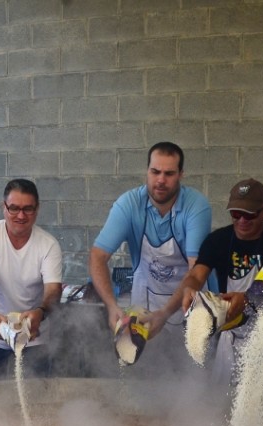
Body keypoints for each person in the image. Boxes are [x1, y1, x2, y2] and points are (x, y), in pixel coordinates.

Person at [88, 142, 211, 366]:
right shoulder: (129, 204)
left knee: (188, 373)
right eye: (155, 172)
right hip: (145, 303)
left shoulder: (196, 207)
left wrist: (164, 314)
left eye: (169, 173)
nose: (161, 180)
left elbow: (196, 271)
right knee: (145, 374)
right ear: (147, 171)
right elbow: (98, 256)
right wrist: (111, 305)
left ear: (181, 175)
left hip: (188, 304)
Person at [167, 178, 263, 384]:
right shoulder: (218, 240)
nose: (242, 220)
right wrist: (190, 288)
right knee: (224, 402)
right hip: (232, 334)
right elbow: (197, 274)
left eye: (250, 214)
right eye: (236, 214)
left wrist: (248, 299)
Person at [0, 179, 62, 381]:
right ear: (4, 208)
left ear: (37, 210)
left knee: (35, 398)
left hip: (34, 336)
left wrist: (41, 311)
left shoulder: (48, 245)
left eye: (28, 209)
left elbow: (53, 290)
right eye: (14, 208)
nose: (21, 216)